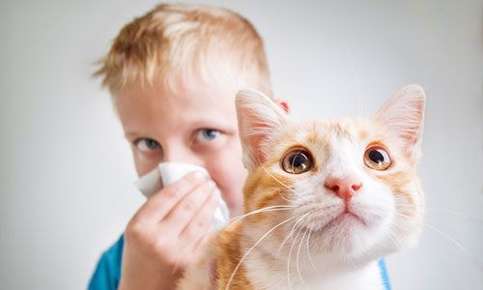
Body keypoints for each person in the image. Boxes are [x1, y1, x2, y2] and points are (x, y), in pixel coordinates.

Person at [88, 3, 391, 290]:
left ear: (262, 138)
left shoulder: (333, 242)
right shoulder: (124, 261)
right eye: (148, 142)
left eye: (208, 134)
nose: (174, 168)